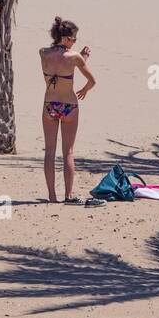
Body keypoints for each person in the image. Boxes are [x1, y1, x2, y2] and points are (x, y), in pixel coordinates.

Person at [39, 17, 95, 204]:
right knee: (68, 151)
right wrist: (85, 90)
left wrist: (80, 56)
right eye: (73, 39)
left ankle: (52, 196)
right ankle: (68, 195)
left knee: (50, 151)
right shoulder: (75, 57)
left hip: (50, 105)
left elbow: (61, 62)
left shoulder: (43, 53)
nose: (74, 42)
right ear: (65, 38)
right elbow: (91, 79)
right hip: (69, 106)